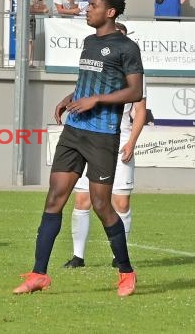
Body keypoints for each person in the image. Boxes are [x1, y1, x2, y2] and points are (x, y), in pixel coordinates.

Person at [12, 0, 144, 297]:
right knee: (54, 199)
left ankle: (126, 272)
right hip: (74, 131)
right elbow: (87, 82)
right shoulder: (88, 41)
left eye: (94, 4)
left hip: (102, 136)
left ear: (110, 11)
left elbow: (135, 92)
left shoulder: (126, 48)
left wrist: (96, 100)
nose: (88, 8)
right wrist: (70, 98)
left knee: (101, 204)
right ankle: (38, 274)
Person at [64, 23, 147, 269]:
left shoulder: (135, 75)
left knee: (120, 203)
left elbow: (139, 111)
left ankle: (118, 258)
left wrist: (132, 141)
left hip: (119, 140)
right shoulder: (97, 70)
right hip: (90, 136)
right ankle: (77, 256)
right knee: (82, 200)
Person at [29, 0, 49, 67]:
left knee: (31, 41)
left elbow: (45, 8)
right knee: (27, 41)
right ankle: (23, 62)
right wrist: (41, 10)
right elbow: (30, 9)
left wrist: (40, 1)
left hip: (32, 19)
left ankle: (30, 62)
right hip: (24, 20)